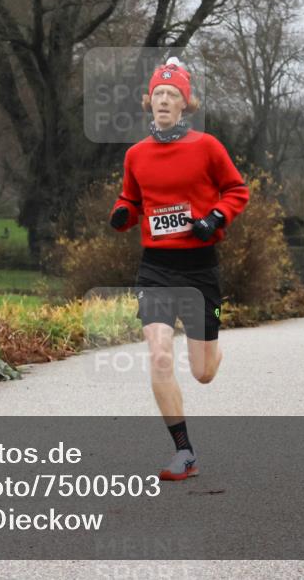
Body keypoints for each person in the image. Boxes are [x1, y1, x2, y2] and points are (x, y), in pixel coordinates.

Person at [108, 57, 249, 481]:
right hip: (156, 268)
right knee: (159, 355)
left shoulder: (207, 147)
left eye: (174, 95)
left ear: (186, 104)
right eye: (159, 95)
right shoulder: (136, 154)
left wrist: (216, 218)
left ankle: (213, 345)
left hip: (200, 267)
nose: (165, 102)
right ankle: (184, 452)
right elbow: (132, 199)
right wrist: (122, 212)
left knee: (203, 372)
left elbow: (236, 190)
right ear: (148, 102)